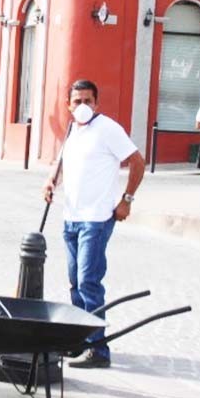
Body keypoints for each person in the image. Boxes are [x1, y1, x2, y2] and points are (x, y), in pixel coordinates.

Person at [43, 79, 145, 369]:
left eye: (88, 100)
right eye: (77, 101)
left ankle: (99, 349)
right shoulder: (73, 128)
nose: (83, 106)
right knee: (75, 282)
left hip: (97, 218)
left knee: (89, 281)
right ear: (69, 105)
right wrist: (51, 180)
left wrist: (126, 199)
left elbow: (138, 162)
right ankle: (79, 341)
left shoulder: (109, 129)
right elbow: (62, 162)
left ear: (96, 103)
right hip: (71, 217)